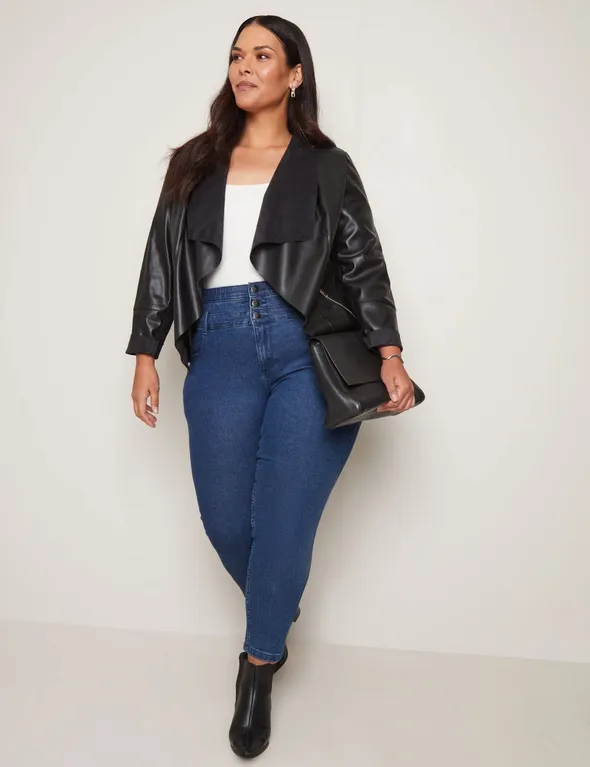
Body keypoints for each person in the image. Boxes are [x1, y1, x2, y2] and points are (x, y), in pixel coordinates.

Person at [126, 14, 415, 760]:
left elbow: (363, 262)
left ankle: (257, 667)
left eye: (263, 55)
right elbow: (160, 258)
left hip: (304, 346)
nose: (245, 66)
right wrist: (146, 351)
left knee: (283, 518)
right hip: (218, 345)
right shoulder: (195, 162)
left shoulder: (326, 165)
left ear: (294, 75)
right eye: (236, 55)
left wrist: (389, 351)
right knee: (228, 519)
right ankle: (277, 604)